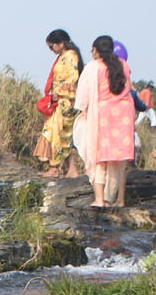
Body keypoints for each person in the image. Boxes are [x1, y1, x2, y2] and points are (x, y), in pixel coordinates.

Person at [75, 34, 137, 207]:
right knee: (121, 159)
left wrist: (81, 108)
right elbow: (128, 89)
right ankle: (120, 200)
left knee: (100, 157)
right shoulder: (124, 65)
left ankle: (100, 199)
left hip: (103, 115)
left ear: (95, 50)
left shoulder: (93, 67)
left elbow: (83, 95)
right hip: (124, 115)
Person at [38, 29, 84, 178]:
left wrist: (59, 94)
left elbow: (72, 80)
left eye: (52, 47)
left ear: (61, 43)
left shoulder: (70, 57)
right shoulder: (64, 56)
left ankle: (55, 167)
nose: (51, 50)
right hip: (62, 101)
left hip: (66, 102)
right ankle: (71, 169)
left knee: (56, 134)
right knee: (65, 136)